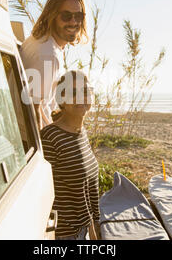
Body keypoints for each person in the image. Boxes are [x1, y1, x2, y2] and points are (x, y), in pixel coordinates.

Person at [40, 70, 100, 240]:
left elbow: (85, 191)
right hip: (65, 233)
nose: (82, 97)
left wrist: (93, 228)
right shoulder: (50, 137)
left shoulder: (81, 132)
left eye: (86, 91)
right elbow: (44, 191)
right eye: (74, 92)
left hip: (84, 230)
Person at [20, 0, 88, 129]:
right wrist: (41, 147)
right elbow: (33, 109)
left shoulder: (40, 41)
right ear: (52, 16)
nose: (73, 22)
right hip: (36, 137)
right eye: (66, 16)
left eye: (78, 16)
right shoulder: (48, 54)